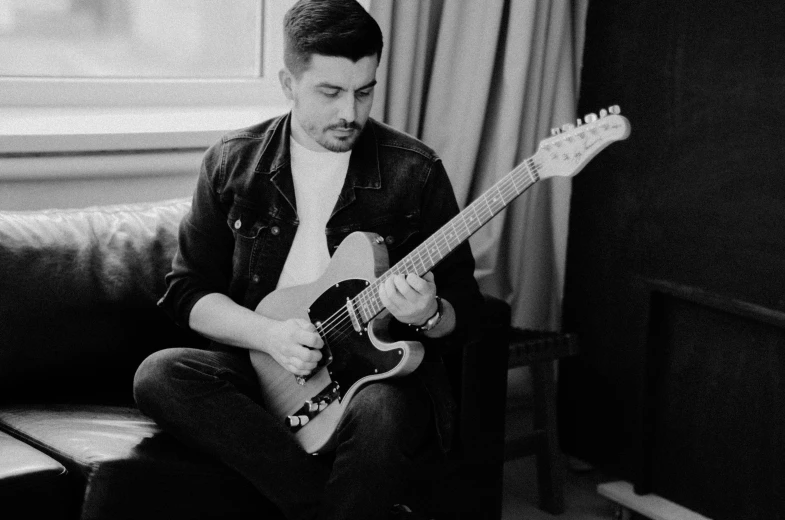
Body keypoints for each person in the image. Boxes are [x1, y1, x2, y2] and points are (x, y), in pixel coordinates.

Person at [133, 1, 483, 518]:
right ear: (288, 82)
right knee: (159, 374)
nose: (351, 113)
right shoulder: (233, 161)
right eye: (331, 92)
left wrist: (427, 314)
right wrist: (269, 336)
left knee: (384, 412)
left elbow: (466, 311)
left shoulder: (416, 171)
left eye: (365, 91)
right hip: (265, 363)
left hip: (372, 375)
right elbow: (187, 291)